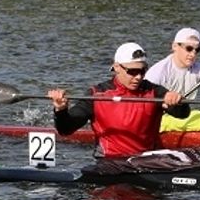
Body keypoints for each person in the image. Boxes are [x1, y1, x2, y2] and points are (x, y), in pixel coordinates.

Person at [48, 42, 190, 159]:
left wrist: (177, 102)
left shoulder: (154, 91)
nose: (138, 77)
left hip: (147, 160)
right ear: (117, 67)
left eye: (142, 71)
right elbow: (65, 129)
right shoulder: (97, 94)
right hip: (111, 162)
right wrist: (60, 110)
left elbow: (183, 114)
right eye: (132, 72)